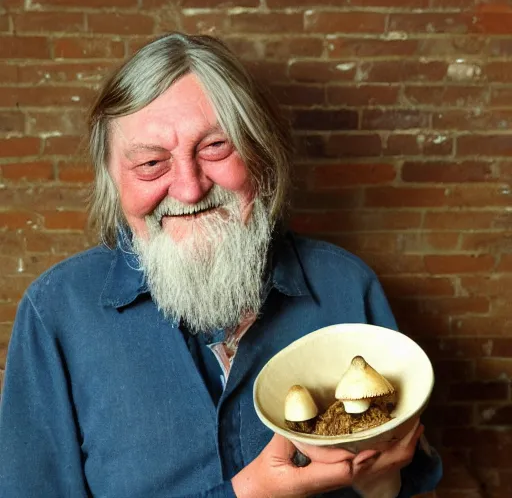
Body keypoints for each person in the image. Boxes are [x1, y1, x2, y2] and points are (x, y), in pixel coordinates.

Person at [0, 33, 442, 497]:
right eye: (151, 162)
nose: (189, 189)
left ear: (261, 152)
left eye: (216, 147)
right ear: (113, 181)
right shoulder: (56, 312)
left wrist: (378, 479)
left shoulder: (347, 287)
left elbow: (407, 482)